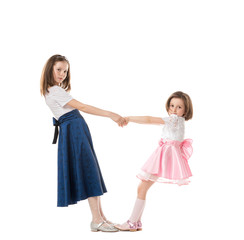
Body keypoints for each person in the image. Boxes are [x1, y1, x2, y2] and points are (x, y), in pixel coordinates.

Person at [40, 54, 126, 232]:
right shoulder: (55, 91)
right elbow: (84, 107)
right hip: (74, 131)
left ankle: (101, 218)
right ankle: (96, 219)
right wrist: (111, 114)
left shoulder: (54, 90)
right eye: (58, 69)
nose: (62, 74)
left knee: (91, 168)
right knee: (89, 169)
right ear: (50, 69)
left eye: (65, 71)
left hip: (75, 129)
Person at [115, 91, 193, 231]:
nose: (174, 110)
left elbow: (149, 119)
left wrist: (129, 118)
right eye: (172, 105)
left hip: (164, 156)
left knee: (142, 187)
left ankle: (132, 222)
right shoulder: (178, 120)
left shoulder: (174, 120)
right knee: (142, 188)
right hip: (166, 155)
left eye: (179, 107)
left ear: (186, 110)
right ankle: (136, 222)